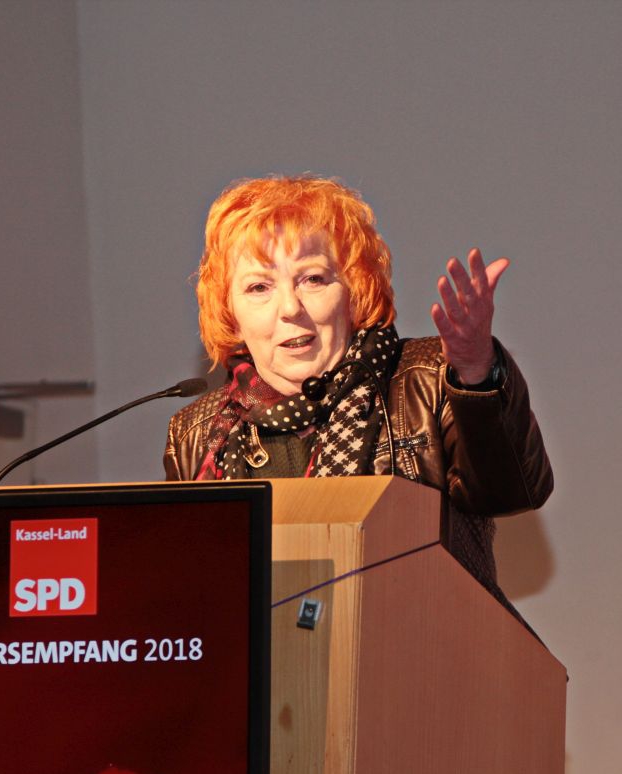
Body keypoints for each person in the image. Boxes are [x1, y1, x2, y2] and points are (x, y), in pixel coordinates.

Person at [164, 175, 552, 622]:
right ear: (229, 311)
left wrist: (476, 375)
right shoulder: (196, 434)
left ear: (354, 290)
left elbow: (512, 490)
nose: (289, 308)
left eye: (312, 279)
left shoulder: (426, 379)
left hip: (425, 646)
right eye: (259, 287)